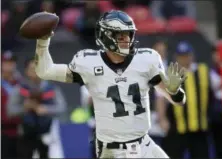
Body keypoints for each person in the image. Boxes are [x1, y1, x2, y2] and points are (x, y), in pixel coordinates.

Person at [34, 10, 187, 158]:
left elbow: (178, 101)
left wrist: (174, 91)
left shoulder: (147, 60)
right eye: (121, 36)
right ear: (106, 36)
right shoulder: (88, 63)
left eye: (129, 34)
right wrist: (42, 42)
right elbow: (45, 71)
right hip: (113, 150)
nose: (127, 40)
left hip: (144, 144)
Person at [161, 41, 222, 159]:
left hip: (200, 127)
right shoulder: (170, 74)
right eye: (181, 56)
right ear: (176, 57)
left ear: (192, 56)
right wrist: (163, 118)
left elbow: (220, 85)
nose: (184, 59)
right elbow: (161, 98)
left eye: (186, 55)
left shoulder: (204, 71)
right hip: (177, 127)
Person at [7, 57, 66, 158]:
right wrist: (24, 108)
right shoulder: (19, 89)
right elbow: (10, 111)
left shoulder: (51, 88)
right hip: (26, 136)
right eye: (32, 69)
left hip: (47, 136)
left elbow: (62, 107)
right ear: (26, 71)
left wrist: (46, 109)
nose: (35, 72)